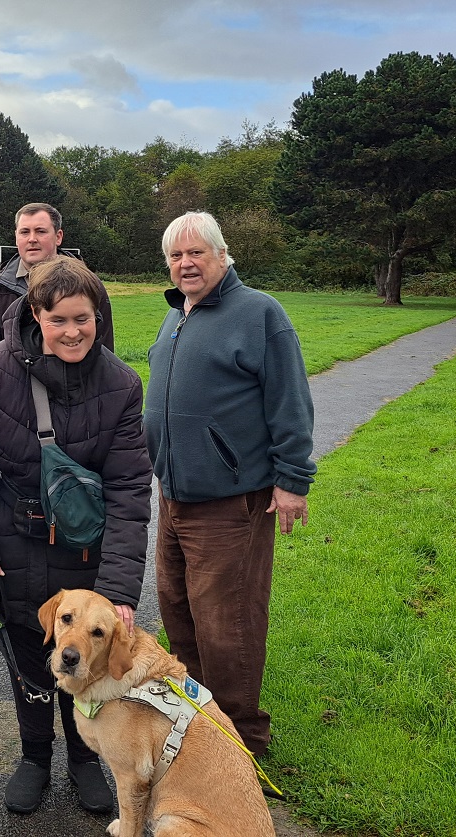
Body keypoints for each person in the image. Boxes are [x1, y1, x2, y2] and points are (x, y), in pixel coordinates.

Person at [0, 255, 152, 815]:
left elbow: (131, 489)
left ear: (98, 318)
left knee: (86, 661)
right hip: (9, 543)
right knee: (29, 659)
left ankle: (86, 760)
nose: (73, 331)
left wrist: (118, 592)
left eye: (83, 319)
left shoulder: (122, 384)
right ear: (37, 315)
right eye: (59, 319)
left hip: (84, 549)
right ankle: (35, 756)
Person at [144, 211, 315, 754]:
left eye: (197, 253)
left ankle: (244, 744)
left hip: (231, 502)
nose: (185, 263)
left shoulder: (260, 313)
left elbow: (290, 401)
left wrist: (292, 480)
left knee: (227, 625)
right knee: (178, 611)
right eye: (176, 255)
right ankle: (200, 724)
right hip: (174, 496)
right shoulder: (176, 315)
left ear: (222, 255)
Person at [0, 202, 114, 369]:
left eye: (40, 231)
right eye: (25, 232)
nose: (32, 239)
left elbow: (104, 354)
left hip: (78, 389)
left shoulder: (90, 286)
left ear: (58, 236)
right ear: (16, 237)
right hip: (14, 391)